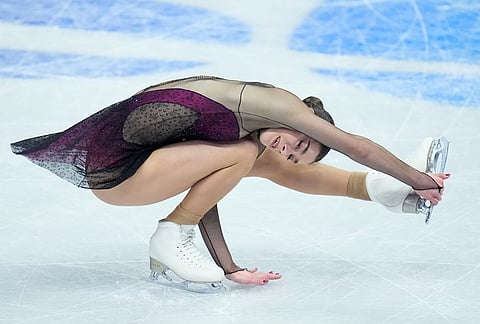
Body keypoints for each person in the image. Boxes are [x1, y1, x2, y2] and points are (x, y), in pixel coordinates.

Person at [11, 75, 449, 287]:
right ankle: (395, 184)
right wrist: (420, 177)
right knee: (248, 155)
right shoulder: (279, 106)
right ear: (309, 124)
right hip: (118, 173)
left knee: (258, 160)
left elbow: (205, 193)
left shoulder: (242, 129)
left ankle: (379, 190)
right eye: (300, 143)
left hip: (129, 169)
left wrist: (229, 267)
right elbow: (357, 144)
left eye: (299, 156)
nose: (289, 150)